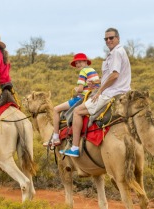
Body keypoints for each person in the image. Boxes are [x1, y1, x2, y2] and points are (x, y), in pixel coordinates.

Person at [61, 28, 131, 157]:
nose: (108, 41)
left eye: (111, 38)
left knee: (77, 111)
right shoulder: (120, 51)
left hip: (111, 93)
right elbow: (112, 76)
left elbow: (115, 75)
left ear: (118, 38)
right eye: (106, 39)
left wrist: (99, 90)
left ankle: (75, 147)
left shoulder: (116, 53)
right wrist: (97, 82)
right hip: (121, 90)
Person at [44, 53, 100, 147]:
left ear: (85, 61)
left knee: (56, 109)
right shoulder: (93, 70)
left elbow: (81, 89)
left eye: (79, 62)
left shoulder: (83, 72)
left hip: (82, 99)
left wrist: (76, 89)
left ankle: (56, 137)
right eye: (76, 63)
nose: (78, 65)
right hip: (92, 97)